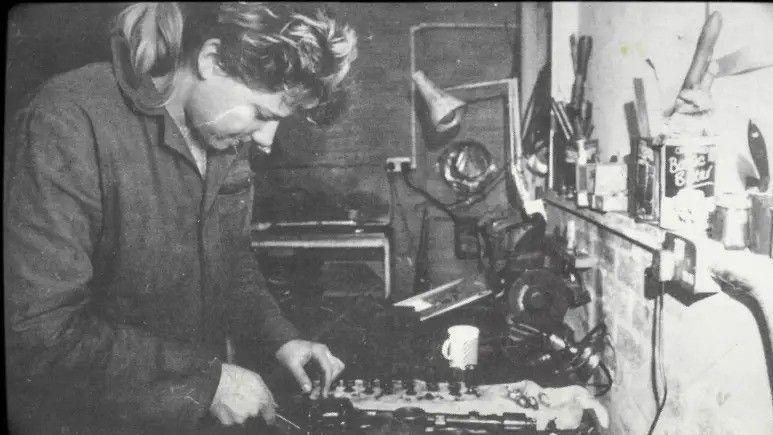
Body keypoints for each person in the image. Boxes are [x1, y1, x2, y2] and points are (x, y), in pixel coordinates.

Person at [4, 2, 357, 433]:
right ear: (210, 61)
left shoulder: (225, 139)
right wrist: (206, 383)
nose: (266, 140)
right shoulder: (69, 119)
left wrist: (280, 338)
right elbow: (38, 330)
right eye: (262, 114)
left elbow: (230, 261)